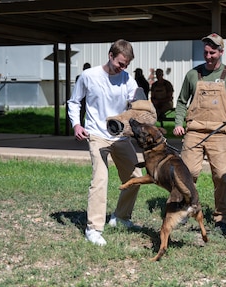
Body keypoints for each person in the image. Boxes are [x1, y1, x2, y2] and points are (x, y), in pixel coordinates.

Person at [173, 33, 226, 234]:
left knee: (222, 176)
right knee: (187, 173)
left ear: (221, 52)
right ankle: (181, 210)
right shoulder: (192, 75)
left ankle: (222, 217)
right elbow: (181, 102)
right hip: (194, 132)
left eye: (212, 52)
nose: (208, 56)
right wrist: (178, 123)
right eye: (206, 52)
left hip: (220, 134)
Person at [67, 39, 142, 246]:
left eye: (126, 65)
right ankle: (93, 229)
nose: (123, 68)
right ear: (110, 55)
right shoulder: (89, 76)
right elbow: (74, 102)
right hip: (96, 134)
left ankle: (121, 218)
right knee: (100, 179)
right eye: (120, 63)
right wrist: (76, 125)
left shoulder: (128, 80)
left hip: (120, 135)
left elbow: (137, 105)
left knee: (135, 177)